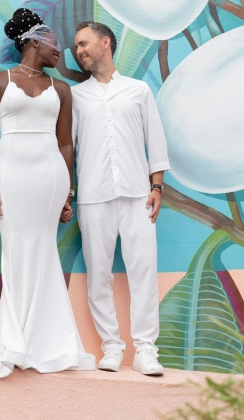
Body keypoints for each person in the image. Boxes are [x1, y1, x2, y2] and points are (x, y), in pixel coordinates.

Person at [0, 8, 95, 378]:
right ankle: (14, 339)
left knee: (43, 250)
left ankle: (47, 340)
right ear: (33, 41)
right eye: (54, 43)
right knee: (15, 250)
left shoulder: (62, 89)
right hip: (10, 174)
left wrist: (68, 192)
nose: (60, 51)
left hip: (50, 177)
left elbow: (66, 144)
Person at [72, 21, 169, 376]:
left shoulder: (139, 91)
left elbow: (154, 140)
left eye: (83, 43)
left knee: (143, 271)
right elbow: (68, 148)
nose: (78, 51)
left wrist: (157, 187)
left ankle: (146, 350)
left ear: (105, 42)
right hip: (93, 197)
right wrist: (69, 192)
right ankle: (111, 346)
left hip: (137, 196)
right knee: (99, 275)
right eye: (76, 47)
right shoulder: (76, 97)